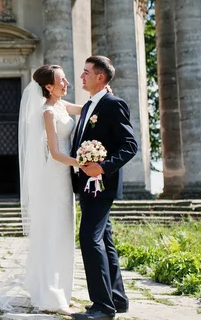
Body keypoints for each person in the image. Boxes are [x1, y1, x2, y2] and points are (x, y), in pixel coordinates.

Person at [0, 64, 84, 315]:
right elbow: (56, 153)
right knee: (53, 233)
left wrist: (104, 94)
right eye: (62, 80)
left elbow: (87, 109)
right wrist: (84, 163)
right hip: (54, 176)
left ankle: (61, 289)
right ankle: (51, 297)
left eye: (66, 79)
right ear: (48, 86)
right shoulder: (47, 111)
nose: (67, 83)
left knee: (64, 233)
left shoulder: (62, 105)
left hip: (65, 178)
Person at [70, 56, 138, 320]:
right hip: (86, 184)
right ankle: (117, 299)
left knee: (89, 238)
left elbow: (129, 145)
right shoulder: (90, 106)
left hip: (101, 184)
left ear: (100, 77)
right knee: (104, 240)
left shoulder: (113, 104)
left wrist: (104, 166)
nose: (81, 77)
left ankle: (102, 307)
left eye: (86, 72)